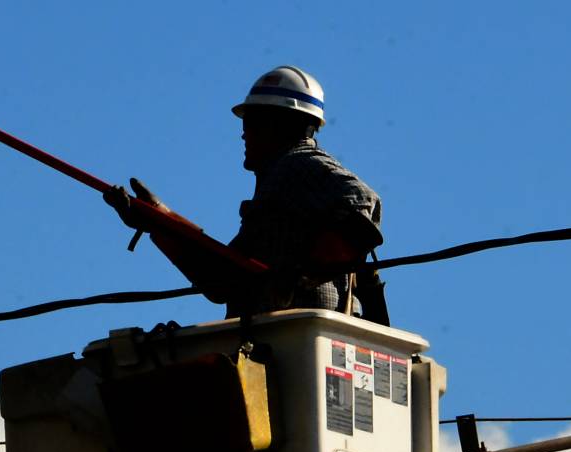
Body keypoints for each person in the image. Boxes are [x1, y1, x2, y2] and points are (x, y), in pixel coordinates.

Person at [107, 66, 390, 324]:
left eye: (251, 123)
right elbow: (222, 280)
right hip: (279, 340)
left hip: (299, 337)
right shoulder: (278, 193)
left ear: (281, 125)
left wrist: (303, 275)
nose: (243, 135)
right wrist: (159, 220)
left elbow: (365, 200)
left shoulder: (296, 164)